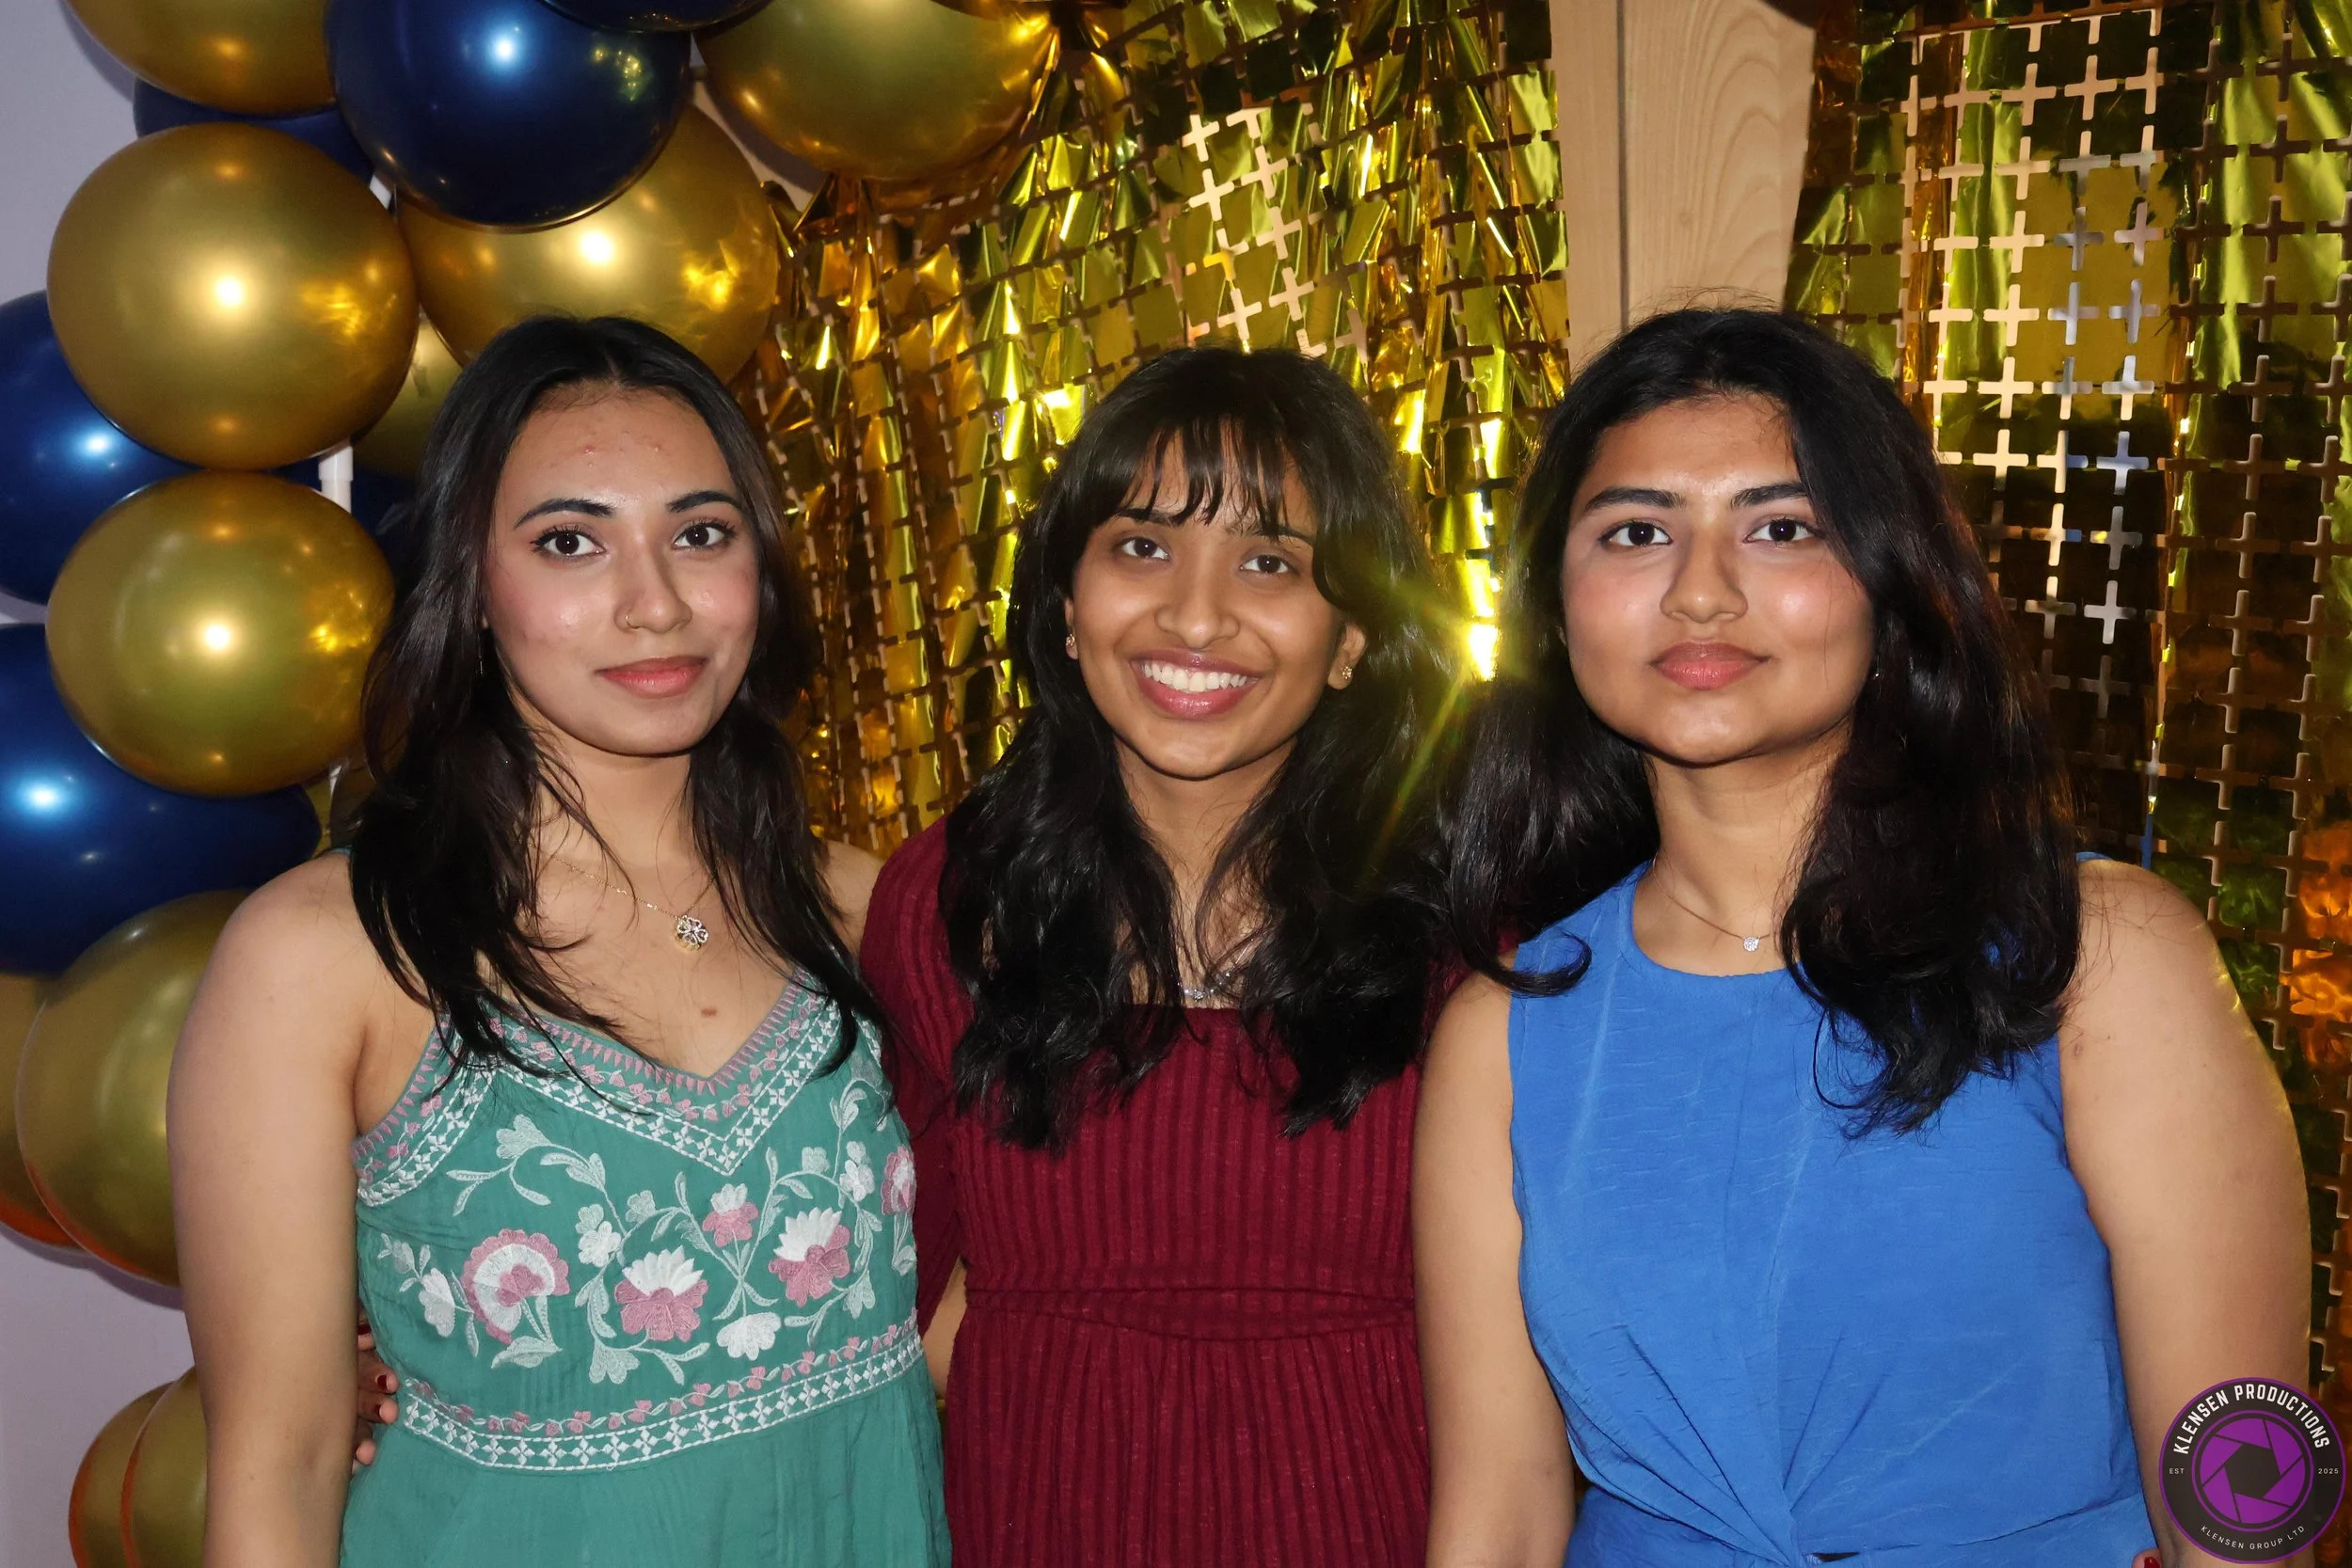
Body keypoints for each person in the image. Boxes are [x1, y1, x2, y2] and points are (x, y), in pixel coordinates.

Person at [1416, 309, 2312, 1567]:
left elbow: (2244, 1463)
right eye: (1636, 530)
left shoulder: (2101, 955)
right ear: (1557, 607)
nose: (1703, 588)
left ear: (1895, 583)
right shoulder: (1511, 1031)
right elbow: (1497, 1521)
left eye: (1782, 526)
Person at [170, 316, 949, 1567]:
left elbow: (1010, 1293)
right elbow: (283, 1457)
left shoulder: (865, 916)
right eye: (571, 542)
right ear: (474, 585)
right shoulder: (328, 957)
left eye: (702, 534)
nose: (654, 603)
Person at [864, 344, 1463, 1565]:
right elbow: (881, 1277)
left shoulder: (1474, 929)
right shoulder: (944, 902)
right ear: (1067, 607)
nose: (1196, 614)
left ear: (1353, 635)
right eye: (1141, 546)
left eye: (1270, 561)